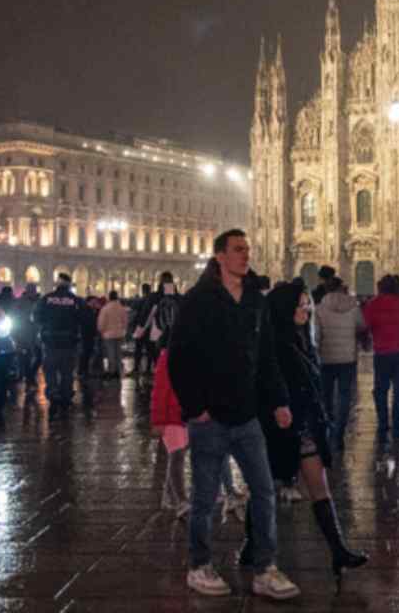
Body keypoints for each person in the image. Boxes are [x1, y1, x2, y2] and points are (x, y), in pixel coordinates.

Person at [168, 230, 300, 600]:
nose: (246, 255)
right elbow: (178, 356)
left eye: (248, 249)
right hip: (211, 419)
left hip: (247, 414)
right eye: (238, 250)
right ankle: (199, 565)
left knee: (263, 491)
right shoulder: (199, 300)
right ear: (220, 256)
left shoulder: (256, 301)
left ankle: (264, 568)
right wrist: (196, 408)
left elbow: (267, 357)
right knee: (206, 497)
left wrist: (279, 401)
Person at [238, 279, 367, 588]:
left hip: (306, 427)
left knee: (319, 489)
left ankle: (338, 550)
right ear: (284, 308)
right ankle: (250, 545)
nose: (307, 309)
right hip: (278, 428)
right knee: (264, 488)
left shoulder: (302, 339)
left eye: (307, 303)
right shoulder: (273, 344)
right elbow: (264, 384)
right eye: (301, 304)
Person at [363, 274, 399, 442]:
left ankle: (383, 423)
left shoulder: (373, 304)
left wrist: (367, 340)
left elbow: (366, 325)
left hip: (382, 353)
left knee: (380, 390)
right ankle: (397, 425)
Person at [317, 276, 367, 452]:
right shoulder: (353, 306)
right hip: (347, 358)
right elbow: (362, 326)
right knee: (345, 396)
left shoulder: (320, 309)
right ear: (341, 288)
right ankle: (339, 433)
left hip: (326, 359)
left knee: (326, 395)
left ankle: (330, 425)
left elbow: (317, 336)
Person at [32, 273, 86, 419]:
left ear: (57, 284)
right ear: (69, 285)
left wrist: (45, 328)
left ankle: (53, 392)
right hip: (69, 342)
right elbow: (84, 319)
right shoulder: (75, 300)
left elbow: (35, 317)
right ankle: (66, 395)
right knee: (67, 372)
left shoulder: (46, 299)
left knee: (50, 370)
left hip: (50, 342)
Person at [151, 344, 190, 518]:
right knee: (177, 456)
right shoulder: (168, 356)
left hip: (187, 414)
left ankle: (168, 496)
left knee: (178, 455)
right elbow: (160, 389)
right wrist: (158, 419)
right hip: (171, 416)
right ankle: (181, 500)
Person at [97, 290, 129, 379]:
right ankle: (118, 371)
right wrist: (123, 330)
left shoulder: (105, 308)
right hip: (119, 334)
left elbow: (101, 323)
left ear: (109, 297)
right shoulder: (121, 308)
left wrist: (101, 331)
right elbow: (125, 321)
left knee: (110, 353)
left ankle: (112, 371)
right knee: (118, 353)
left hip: (108, 334)